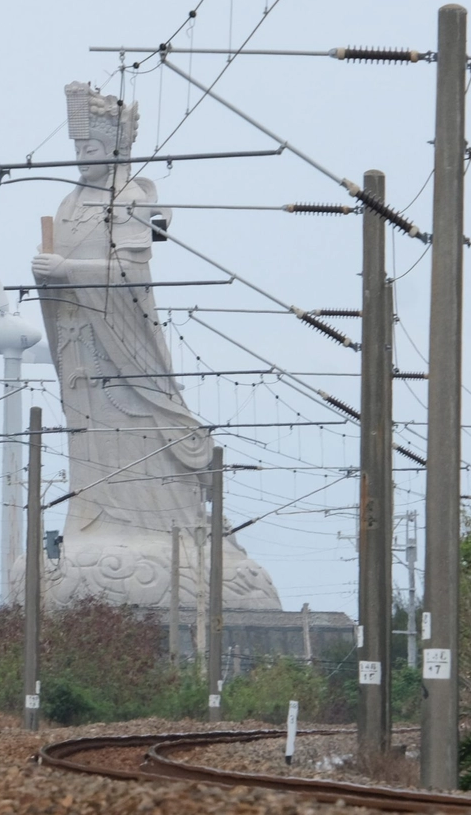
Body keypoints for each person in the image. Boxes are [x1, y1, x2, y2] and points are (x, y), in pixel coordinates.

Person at [23, 82, 281, 611]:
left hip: (125, 346)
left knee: (145, 429)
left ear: (117, 146)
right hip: (81, 351)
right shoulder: (69, 201)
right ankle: (93, 520)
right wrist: (49, 279)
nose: (81, 161)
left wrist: (68, 269)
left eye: (91, 151)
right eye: (77, 151)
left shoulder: (134, 198)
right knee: (89, 437)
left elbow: (131, 271)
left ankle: (160, 529)